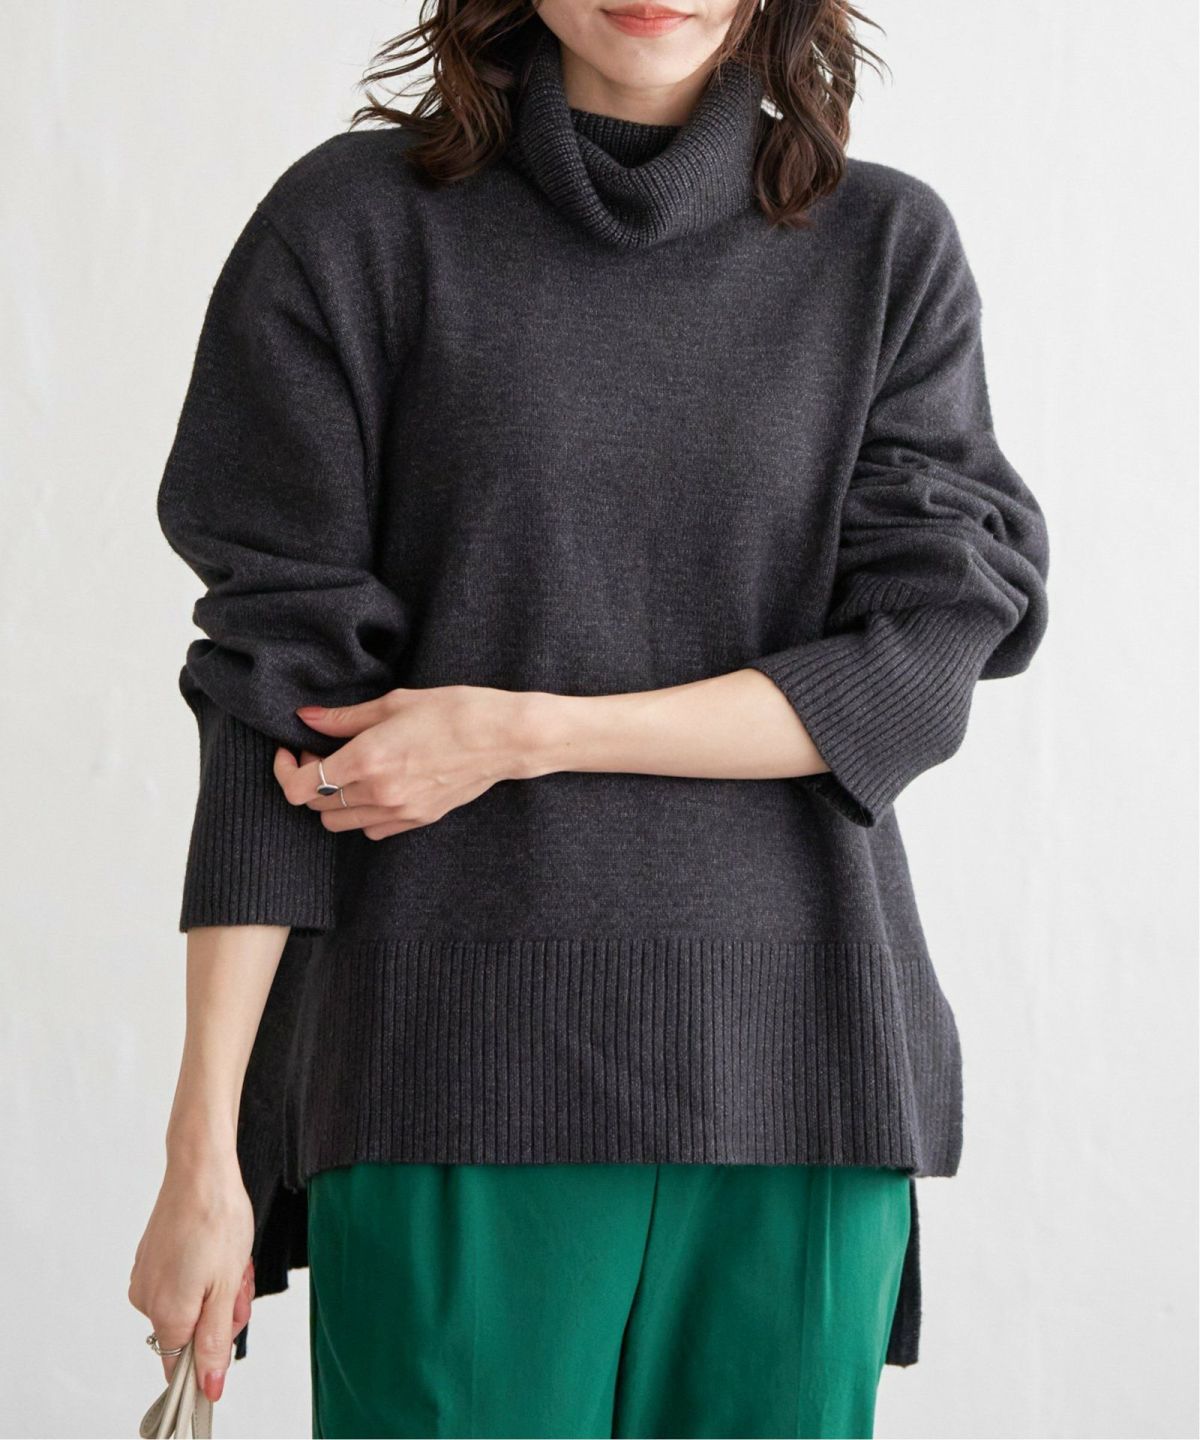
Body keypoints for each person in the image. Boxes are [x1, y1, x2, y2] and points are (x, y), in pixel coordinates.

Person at [128, 1, 1051, 1436]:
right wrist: (202, 1148)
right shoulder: (355, 226)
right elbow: (271, 697)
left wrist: (525, 733)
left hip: (796, 1076)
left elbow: (913, 671)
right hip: (441, 1075)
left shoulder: (884, 250)